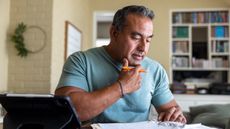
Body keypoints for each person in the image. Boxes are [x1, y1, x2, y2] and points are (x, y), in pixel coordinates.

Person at [55, 5, 186, 124]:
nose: (143, 47)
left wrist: (175, 115)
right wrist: (121, 87)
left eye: (148, 39)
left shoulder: (155, 70)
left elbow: (170, 109)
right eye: (136, 37)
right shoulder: (80, 61)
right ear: (114, 33)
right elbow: (65, 112)